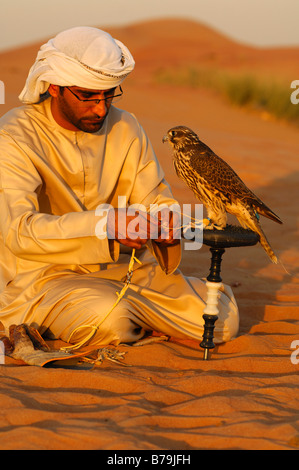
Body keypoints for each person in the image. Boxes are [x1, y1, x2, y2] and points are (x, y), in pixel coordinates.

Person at [0, 26, 239, 348]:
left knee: (221, 320)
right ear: (54, 87)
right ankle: (127, 319)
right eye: (87, 96)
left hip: (127, 269)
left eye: (109, 94)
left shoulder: (127, 126)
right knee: (106, 319)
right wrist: (106, 224)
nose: (100, 108)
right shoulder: (14, 136)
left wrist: (166, 222)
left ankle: (133, 316)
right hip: (45, 276)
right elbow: (18, 230)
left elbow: (155, 198)